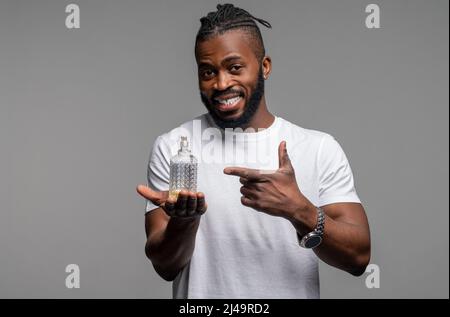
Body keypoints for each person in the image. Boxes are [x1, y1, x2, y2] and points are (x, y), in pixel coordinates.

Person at [136, 3, 370, 299]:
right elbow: (165, 267)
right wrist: (184, 221)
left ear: (264, 66)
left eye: (234, 67)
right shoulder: (174, 147)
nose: (221, 83)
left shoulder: (318, 148)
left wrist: (299, 210)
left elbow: (359, 259)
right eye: (208, 72)